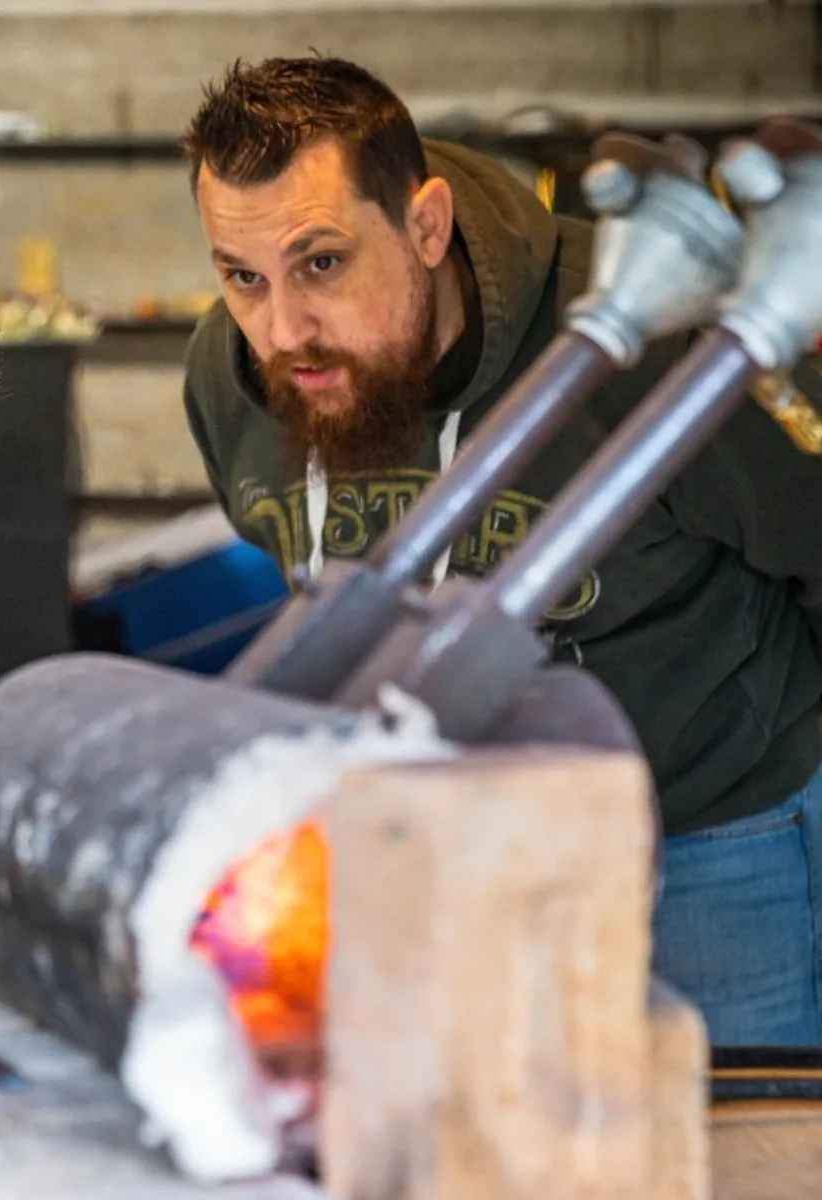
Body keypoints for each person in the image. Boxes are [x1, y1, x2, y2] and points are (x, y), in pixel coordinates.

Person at [180, 57, 822, 1043]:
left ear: (426, 227)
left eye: (322, 263)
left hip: (709, 832)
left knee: (729, 1158)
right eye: (242, 277)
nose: (284, 330)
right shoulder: (234, 383)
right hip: (453, 853)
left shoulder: (654, 335)